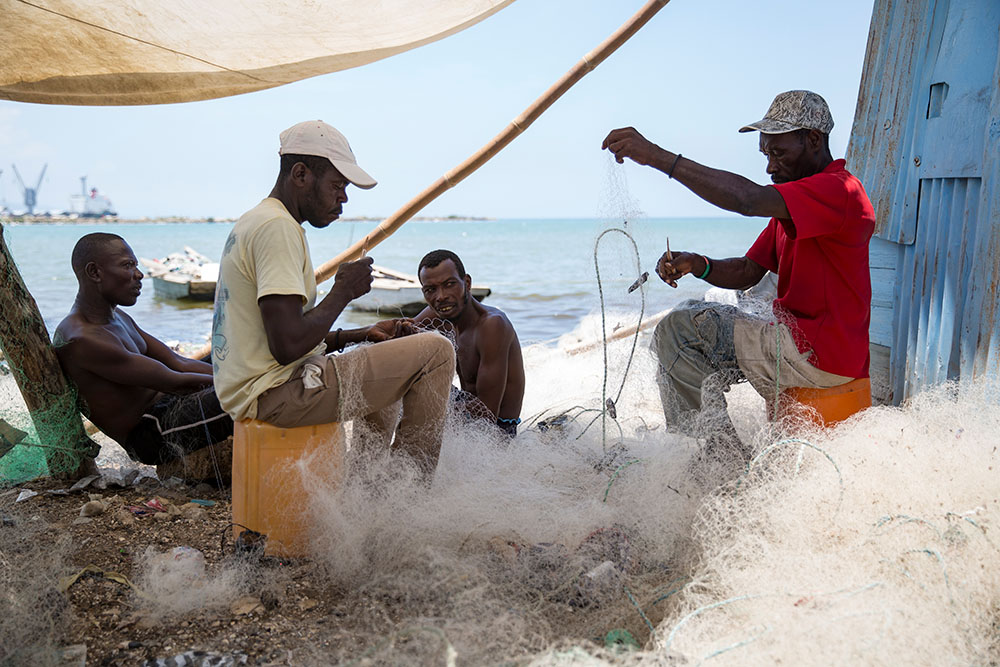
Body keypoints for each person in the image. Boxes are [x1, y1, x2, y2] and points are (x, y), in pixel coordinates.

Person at [602, 90, 875, 454]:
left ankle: (720, 456)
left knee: (678, 331)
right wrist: (700, 264)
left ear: (813, 140)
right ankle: (721, 447)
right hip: (809, 351)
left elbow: (747, 199)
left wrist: (657, 157)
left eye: (778, 154)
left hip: (815, 355)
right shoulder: (796, 204)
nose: (770, 168)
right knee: (692, 321)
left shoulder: (840, 191)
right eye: (766, 155)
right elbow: (748, 270)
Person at [211, 120, 455, 473]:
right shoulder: (277, 228)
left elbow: (274, 335)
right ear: (300, 174)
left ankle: (365, 489)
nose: (343, 197)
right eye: (337, 185)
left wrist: (357, 335)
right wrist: (343, 291)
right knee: (437, 352)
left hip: (257, 389)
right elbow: (287, 346)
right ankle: (409, 498)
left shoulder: (259, 220)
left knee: (381, 364)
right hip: (274, 395)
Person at [54, 233, 234, 466]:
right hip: (150, 433)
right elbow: (176, 381)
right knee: (255, 392)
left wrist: (239, 371)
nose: (139, 274)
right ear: (95, 273)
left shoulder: (118, 317)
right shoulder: (83, 339)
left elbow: (179, 362)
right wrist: (246, 380)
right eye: (128, 265)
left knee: (233, 357)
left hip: (169, 401)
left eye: (136, 265)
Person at [412, 249, 525, 437]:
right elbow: (401, 331)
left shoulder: (492, 325)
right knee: (398, 377)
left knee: (413, 399)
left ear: (467, 283)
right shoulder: (441, 313)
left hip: (497, 431)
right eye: (431, 290)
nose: (441, 296)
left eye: (449, 284)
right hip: (464, 410)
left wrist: (427, 410)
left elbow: (487, 413)